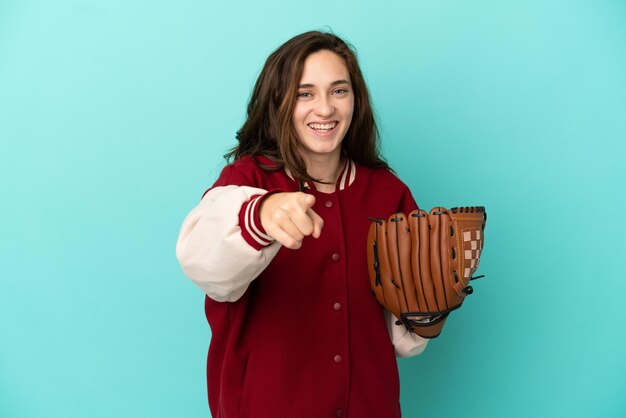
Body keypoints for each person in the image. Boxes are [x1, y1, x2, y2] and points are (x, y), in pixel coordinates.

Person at [176, 30, 428, 418]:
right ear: (278, 101)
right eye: (304, 93)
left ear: (356, 101)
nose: (324, 109)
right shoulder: (246, 181)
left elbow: (405, 339)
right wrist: (259, 216)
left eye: (339, 91)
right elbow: (203, 264)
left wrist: (430, 310)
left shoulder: (388, 192)